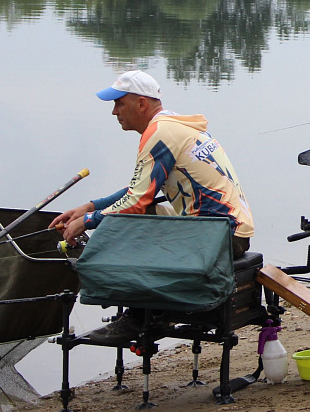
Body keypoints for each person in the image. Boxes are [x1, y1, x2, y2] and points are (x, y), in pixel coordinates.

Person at [50, 71, 256, 343]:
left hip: (217, 235)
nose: (114, 112)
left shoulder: (159, 133)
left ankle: (138, 318)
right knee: (140, 214)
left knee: (128, 223)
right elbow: (140, 191)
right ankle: (144, 311)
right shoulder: (173, 126)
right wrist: (89, 207)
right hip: (226, 231)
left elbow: (136, 202)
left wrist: (88, 220)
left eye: (119, 103)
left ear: (141, 104)